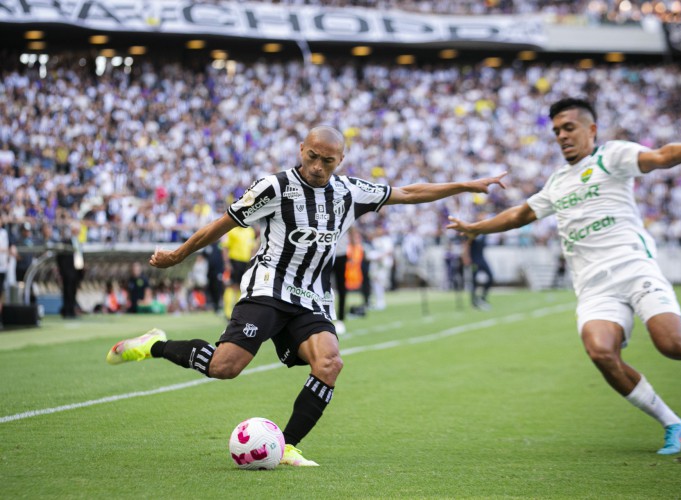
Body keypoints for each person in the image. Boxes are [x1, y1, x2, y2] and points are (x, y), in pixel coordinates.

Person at [106, 125, 506, 467]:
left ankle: (286, 446)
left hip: (312, 298)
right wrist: (178, 255)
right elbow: (222, 224)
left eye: (327, 161)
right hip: (268, 289)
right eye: (312, 156)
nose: (317, 167)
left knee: (329, 363)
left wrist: (464, 186)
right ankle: (155, 345)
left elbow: (409, 192)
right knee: (225, 367)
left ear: (341, 161)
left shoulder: (351, 193)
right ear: (302, 150)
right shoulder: (274, 187)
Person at [448, 98, 681, 455]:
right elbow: (520, 214)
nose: (561, 136)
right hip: (593, 287)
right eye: (556, 131)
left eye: (569, 128)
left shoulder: (613, 156)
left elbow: (663, 156)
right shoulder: (557, 181)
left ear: (591, 129)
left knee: (676, 349)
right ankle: (673, 423)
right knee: (601, 352)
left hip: (635, 269)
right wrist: (475, 229)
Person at [221, 225, 257, 320]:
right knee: (231, 285)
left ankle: (237, 311)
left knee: (241, 287)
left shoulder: (250, 231)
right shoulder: (232, 230)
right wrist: (227, 263)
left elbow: (252, 249)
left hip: (245, 262)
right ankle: (227, 312)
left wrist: (251, 263)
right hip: (234, 261)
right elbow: (225, 247)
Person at [464, 232, 493, 310]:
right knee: (474, 281)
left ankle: (482, 298)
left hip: (482, 259)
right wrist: (466, 257)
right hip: (474, 261)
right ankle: (473, 302)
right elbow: (467, 244)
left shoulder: (484, 232)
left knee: (491, 277)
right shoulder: (473, 231)